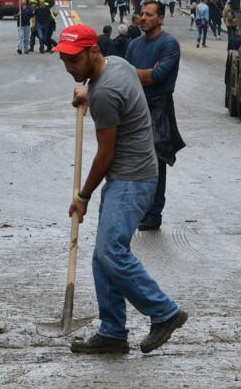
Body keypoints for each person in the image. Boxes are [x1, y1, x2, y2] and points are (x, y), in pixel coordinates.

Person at [58, 24, 188, 355]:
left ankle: (164, 312)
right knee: (104, 258)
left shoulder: (104, 93)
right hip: (133, 175)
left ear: (93, 52)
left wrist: (83, 196)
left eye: (74, 60)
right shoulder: (117, 65)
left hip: (131, 179)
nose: (69, 67)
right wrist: (88, 90)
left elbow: (106, 154)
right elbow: (123, 90)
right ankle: (113, 331)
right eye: (65, 61)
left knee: (110, 252)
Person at [124, 0, 184, 231]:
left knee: (157, 161)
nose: (144, 18)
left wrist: (136, 74)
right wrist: (141, 74)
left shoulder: (169, 44)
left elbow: (157, 76)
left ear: (160, 18)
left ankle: (154, 213)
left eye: (149, 15)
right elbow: (125, 75)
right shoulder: (134, 45)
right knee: (134, 158)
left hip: (159, 106)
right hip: (136, 105)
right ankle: (138, 209)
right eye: (141, 14)